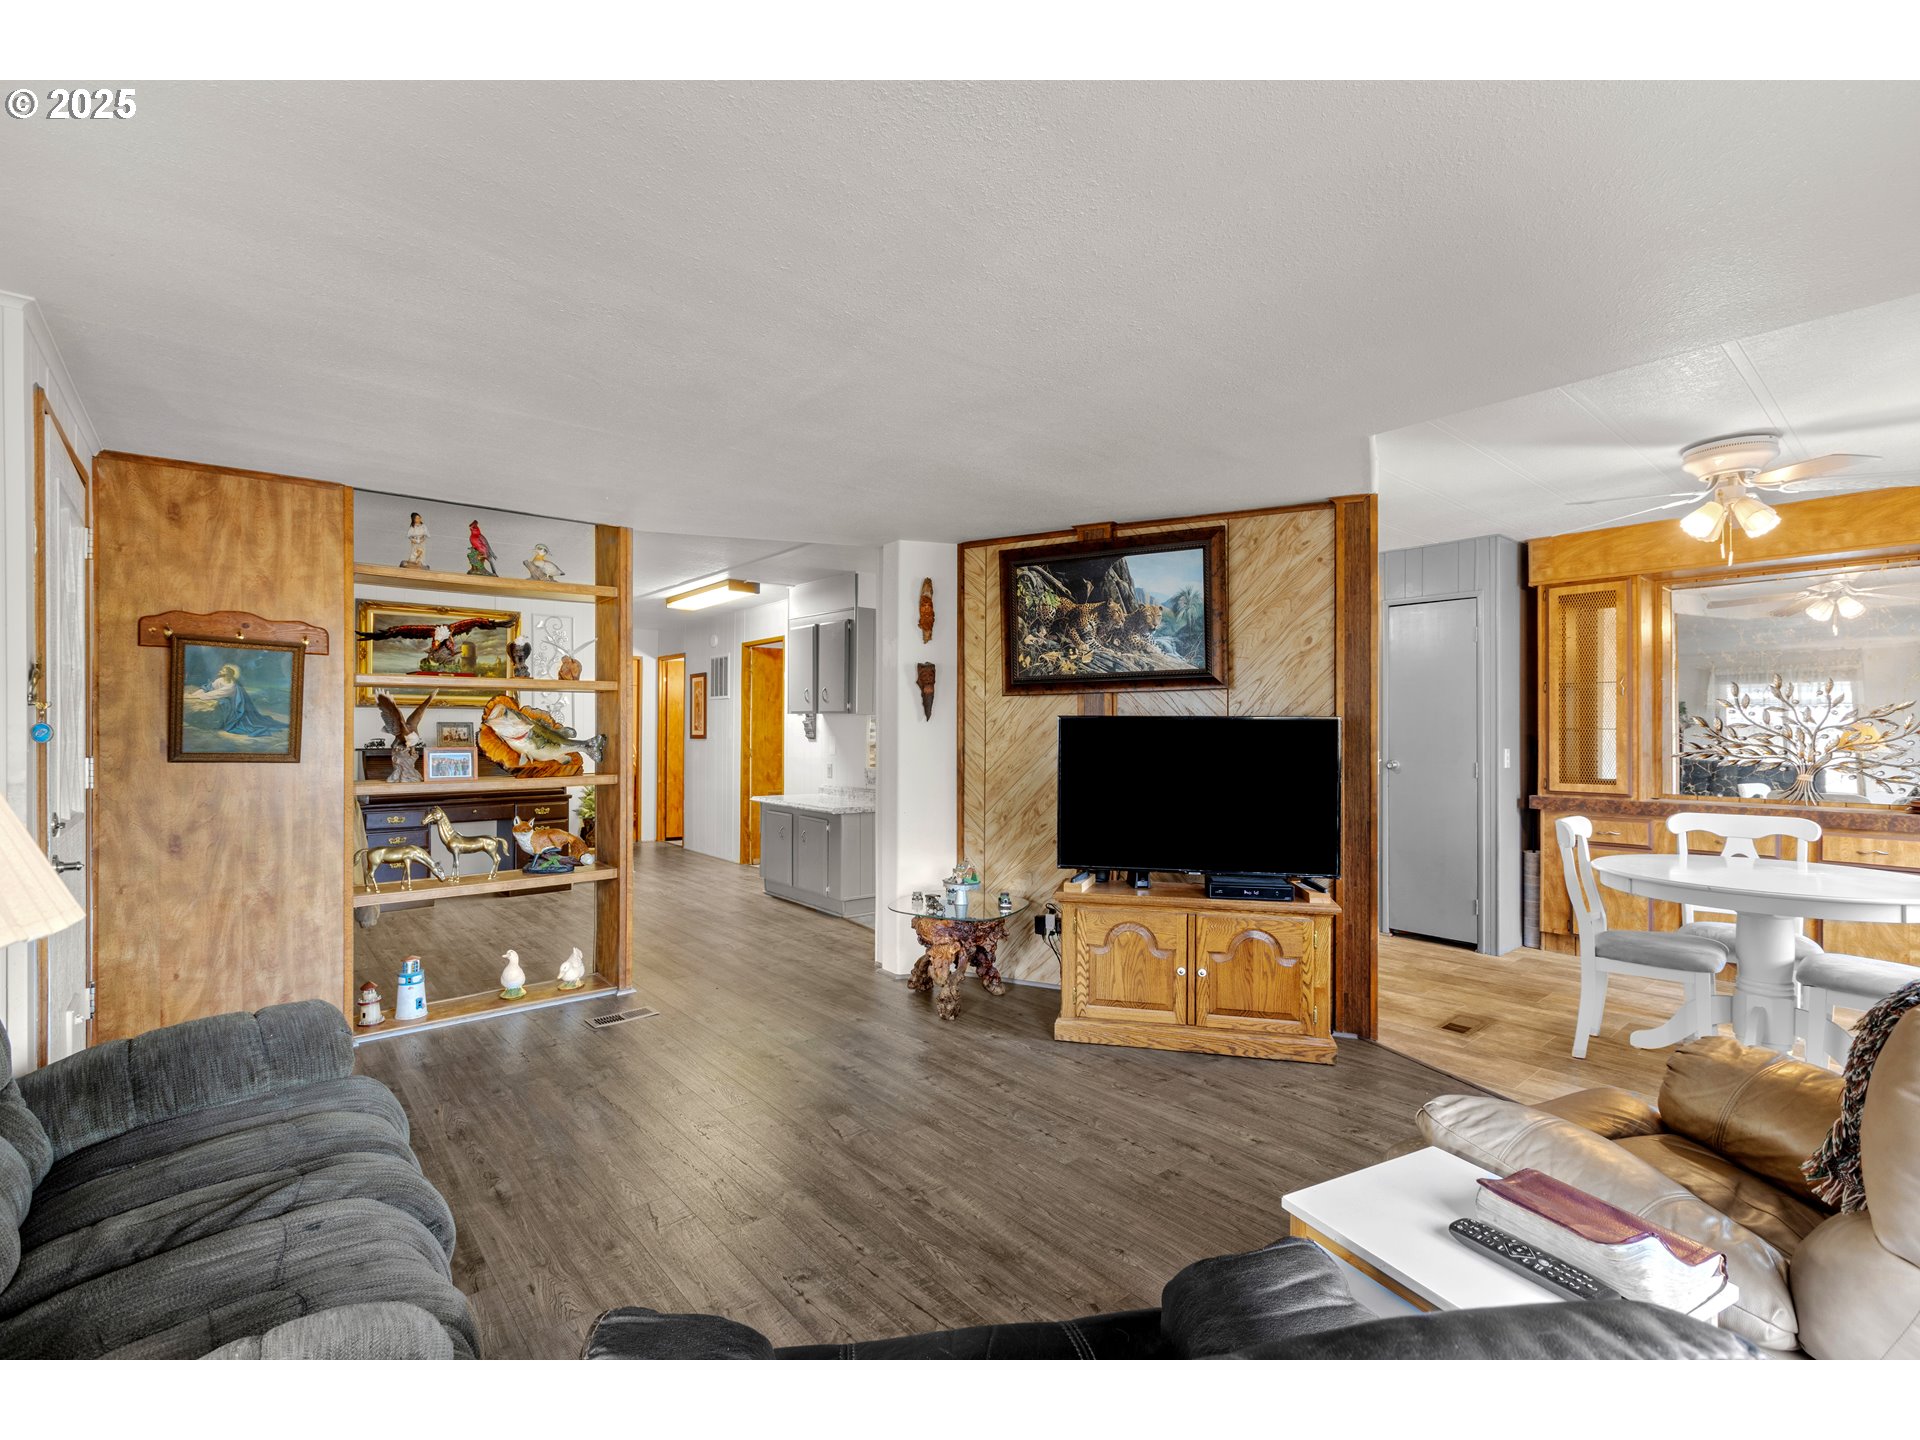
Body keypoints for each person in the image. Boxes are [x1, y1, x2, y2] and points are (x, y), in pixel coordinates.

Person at [183, 662, 287, 737]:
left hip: (234, 708)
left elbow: (213, 694)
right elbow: (208, 688)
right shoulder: (219, 680)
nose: (220, 670)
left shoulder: (231, 686)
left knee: (224, 703)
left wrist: (194, 697)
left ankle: (222, 722)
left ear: (229, 673)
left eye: (223, 669)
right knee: (222, 702)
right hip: (224, 701)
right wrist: (193, 694)